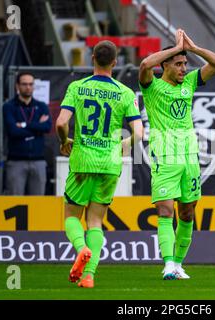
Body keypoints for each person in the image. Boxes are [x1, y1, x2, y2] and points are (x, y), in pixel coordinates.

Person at [56, 40, 143, 288]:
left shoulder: (77, 87)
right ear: (115, 62)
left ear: (92, 57)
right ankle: (89, 276)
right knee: (95, 221)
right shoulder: (125, 93)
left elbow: (61, 123)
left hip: (83, 160)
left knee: (71, 216)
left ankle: (81, 248)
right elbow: (139, 132)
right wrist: (125, 146)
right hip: (109, 164)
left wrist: (65, 141)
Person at [139, 29, 215, 279]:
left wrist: (192, 48)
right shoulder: (151, 86)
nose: (184, 68)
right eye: (178, 64)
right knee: (165, 210)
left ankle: (178, 263)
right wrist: (176, 48)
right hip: (164, 159)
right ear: (165, 64)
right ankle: (167, 264)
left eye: (185, 64)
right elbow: (144, 64)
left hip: (190, 159)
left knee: (187, 212)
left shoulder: (189, 82)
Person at [3, 72, 52, 195]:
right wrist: (37, 126)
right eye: (24, 84)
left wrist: (24, 125)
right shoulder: (9, 106)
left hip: (38, 160)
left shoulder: (41, 106)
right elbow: (13, 131)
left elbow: (47, 127)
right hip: (16, 161)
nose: (28, 87)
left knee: (38, 202)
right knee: (15, 201)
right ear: (17, 86)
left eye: (31, 84)